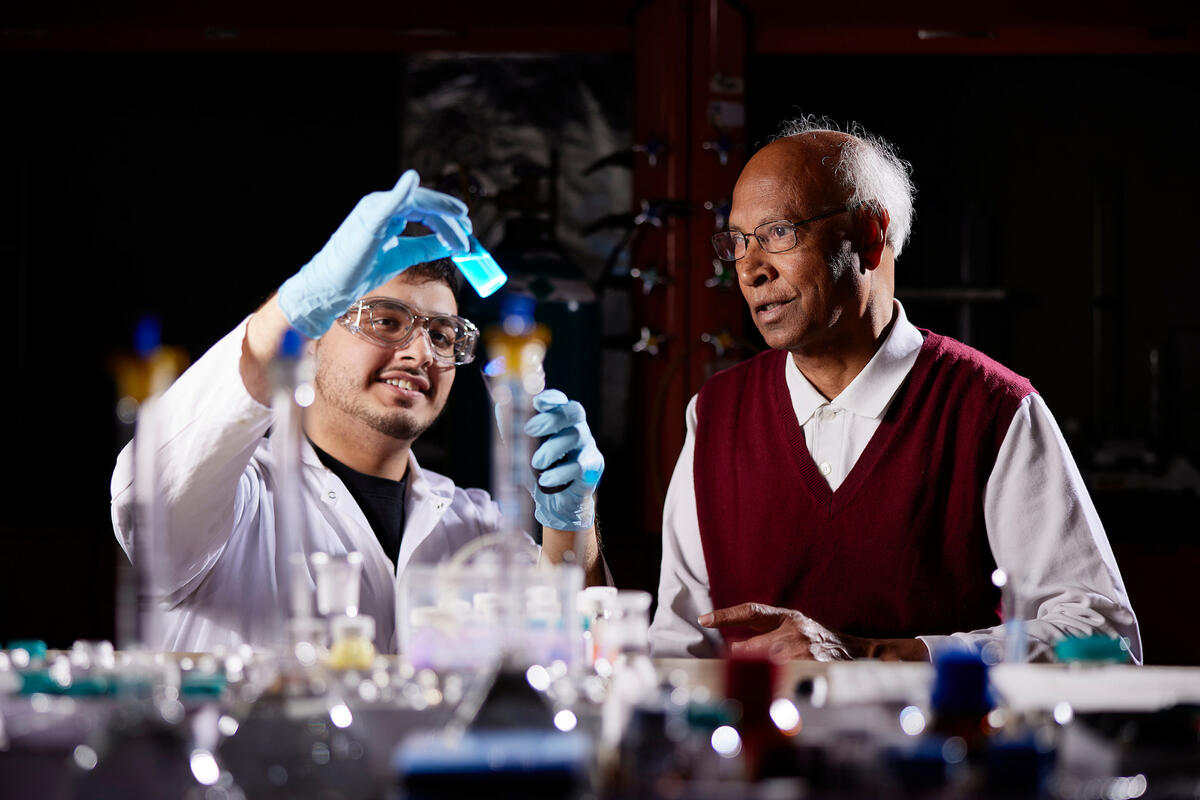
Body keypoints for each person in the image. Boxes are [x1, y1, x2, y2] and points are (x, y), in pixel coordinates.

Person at [648, 119, 1140, 663]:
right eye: (738, 242)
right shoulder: (716, 415)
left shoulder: (992, 409)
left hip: (943, 746)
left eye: (779, 234)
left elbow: (1104, 638)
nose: (750, 269)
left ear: (870, 237)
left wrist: (872, 655)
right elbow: (677, 648)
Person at [111, 170, 606, 653]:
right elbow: (151, 489)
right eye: (387, 321)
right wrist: (295, 308)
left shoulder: (475, 524)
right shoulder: (238, 502)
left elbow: (571, 650)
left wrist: (569, 519)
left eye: (441, 335)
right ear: (312, 341)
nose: (420, 353)